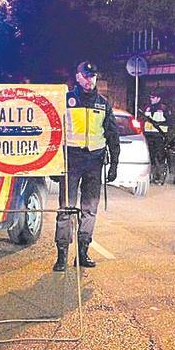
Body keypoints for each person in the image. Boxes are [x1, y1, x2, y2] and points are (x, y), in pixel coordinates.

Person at [53, 61, 120, 271]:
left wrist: (114, 164)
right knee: (66, 209)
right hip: (71, 160)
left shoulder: (103, 103)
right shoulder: (66, 100)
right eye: (86, 76)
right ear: (78, 77)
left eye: (92, 76)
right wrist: (55, 164)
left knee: (89, 210)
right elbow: (55, 132)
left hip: (94, 161)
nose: (90, 80)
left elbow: (112, 134)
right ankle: (62, 254)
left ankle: (82, 252)